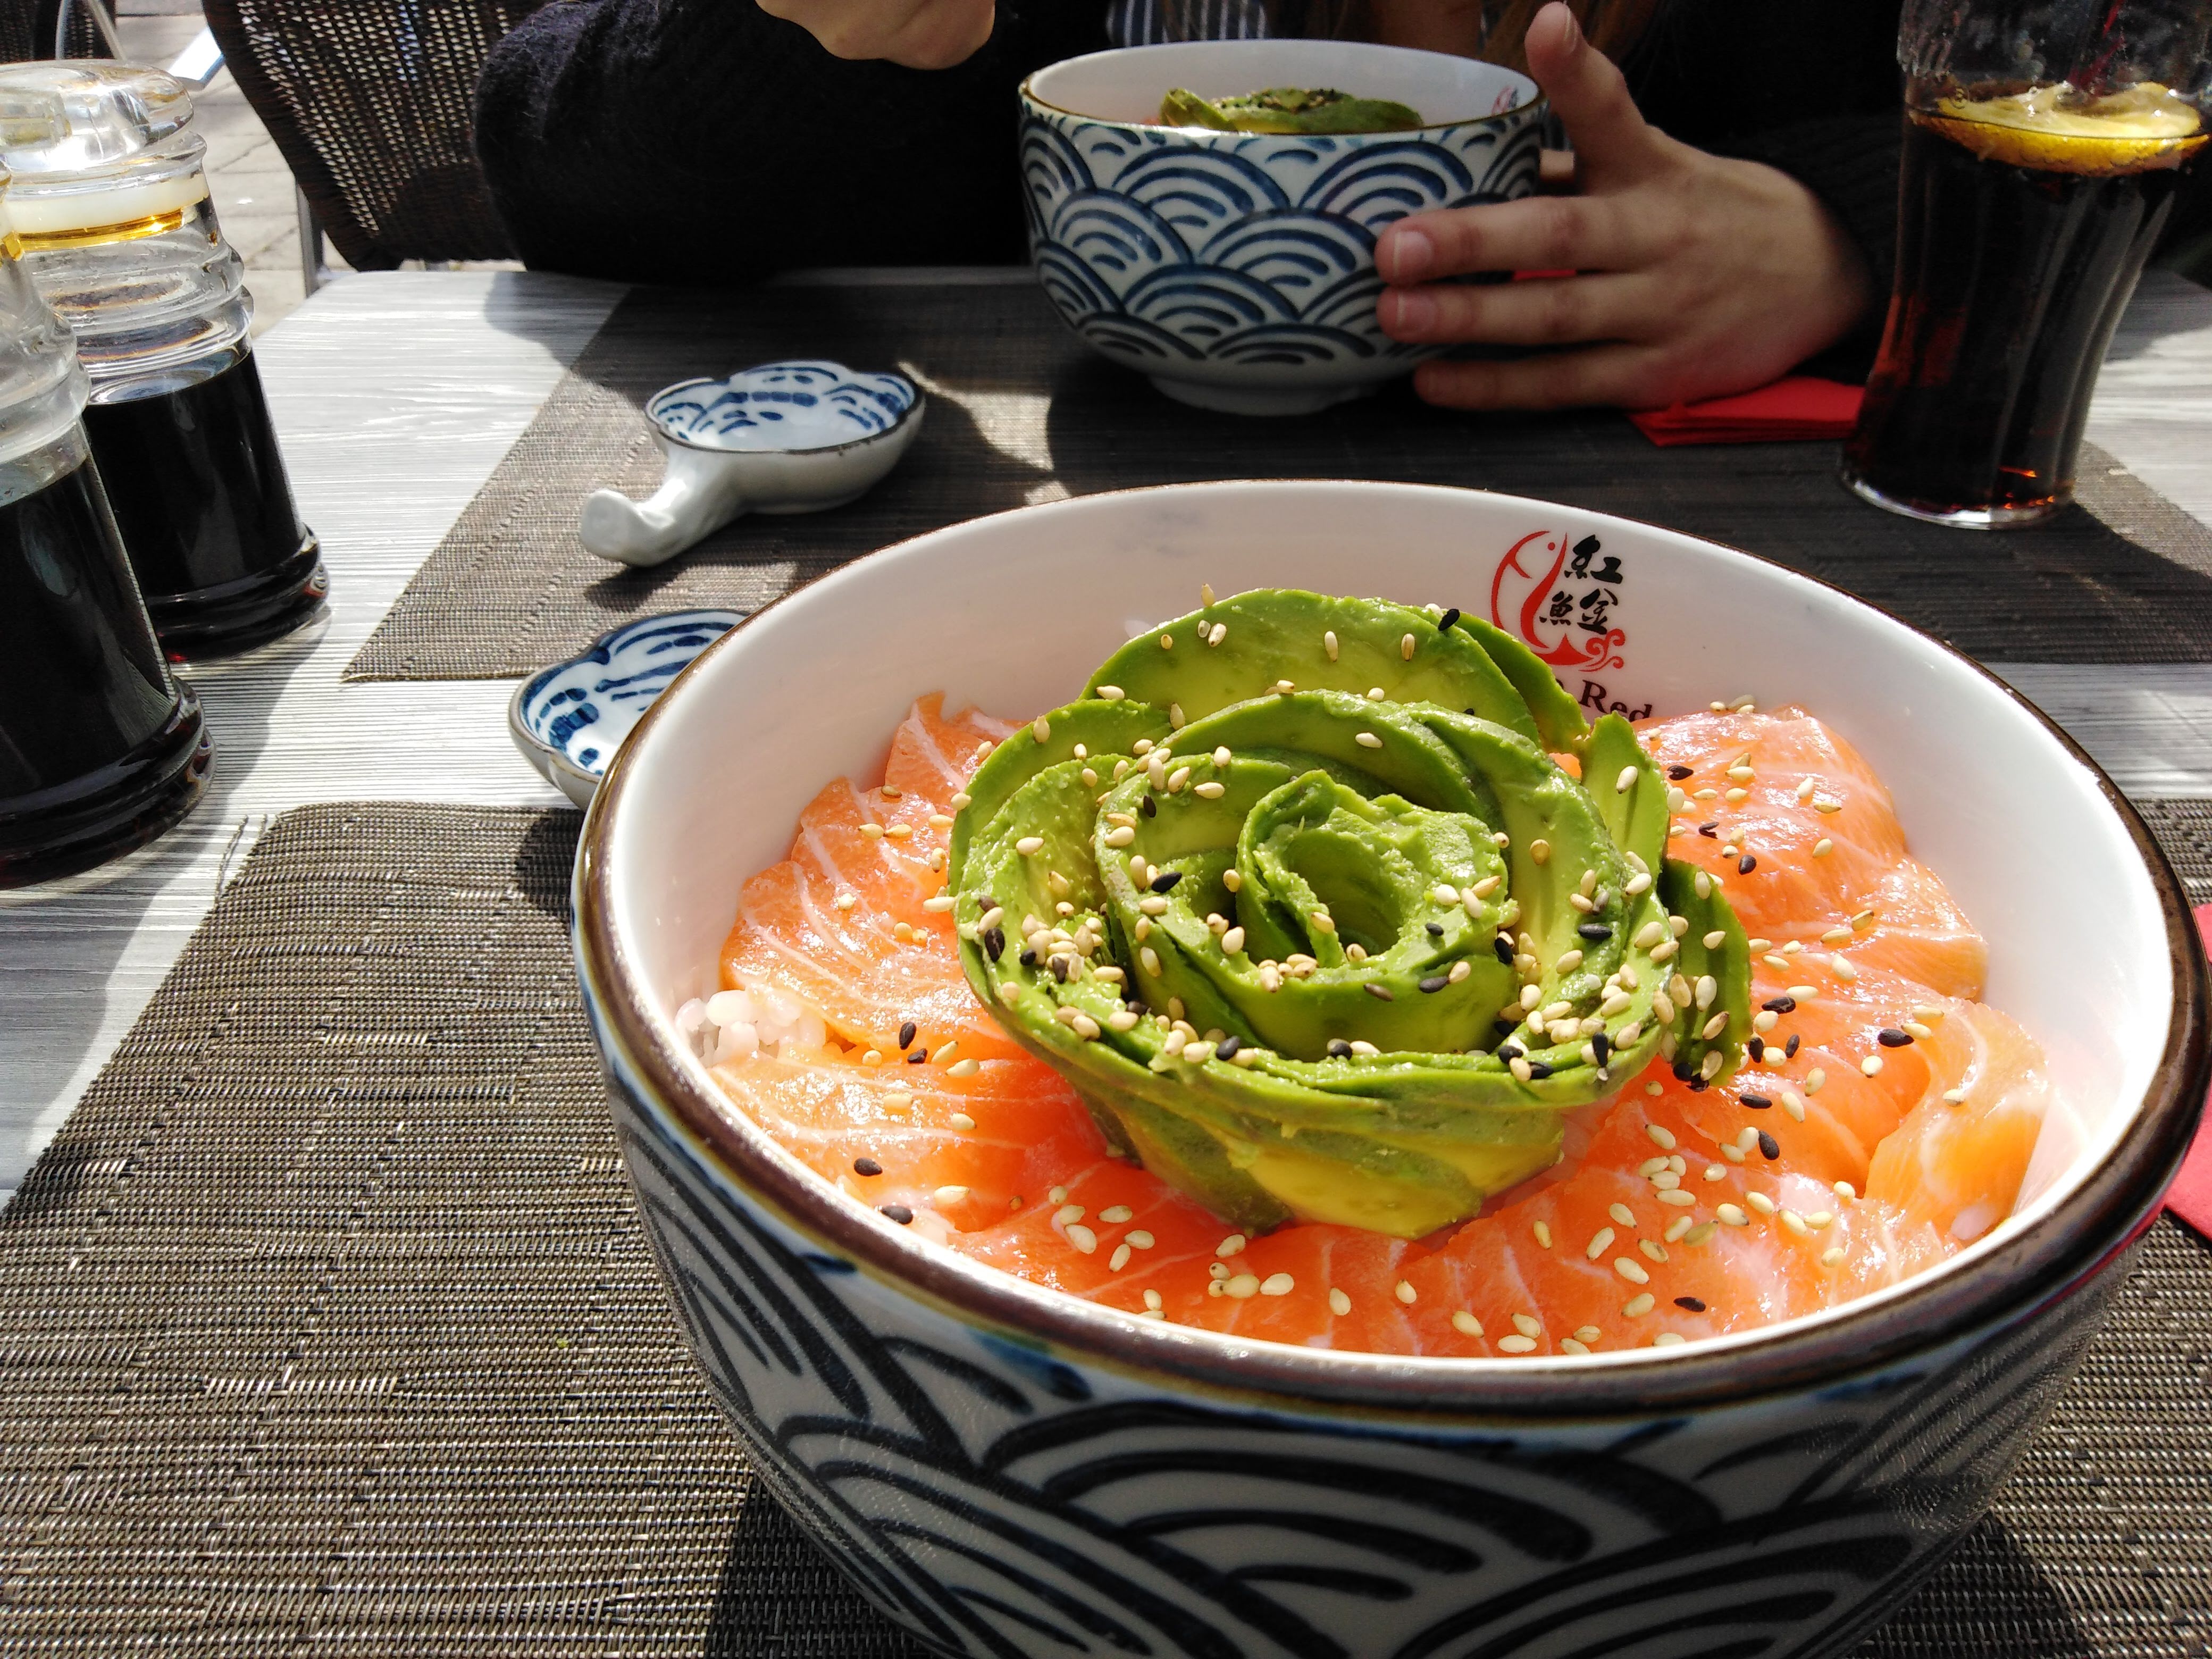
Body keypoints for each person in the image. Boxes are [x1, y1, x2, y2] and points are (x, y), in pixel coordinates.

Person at [475, 0, 1905, 409]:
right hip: (1061, 543)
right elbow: (554, 171)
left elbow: (2042, 106)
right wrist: (786, 34)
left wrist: (1855, 234)